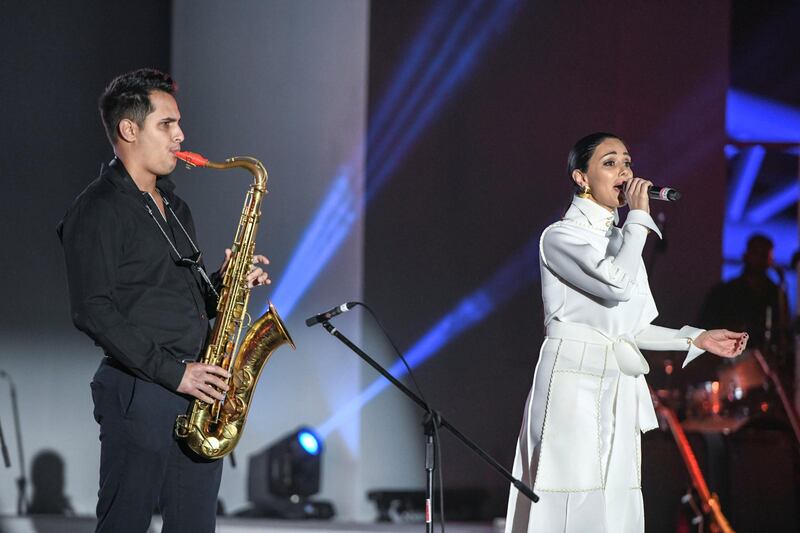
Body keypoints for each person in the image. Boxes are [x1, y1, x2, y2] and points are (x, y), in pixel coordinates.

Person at [57, 68, 270, 533]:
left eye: (178, 124)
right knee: (125, 524)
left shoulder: (175, 207)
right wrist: (177, 374)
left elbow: (170, 295)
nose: (181, 135)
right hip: (141, 390)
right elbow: (93, 310)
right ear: (128, 129)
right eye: (167, 124)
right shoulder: (97, 208)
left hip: (196, 395)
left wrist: (228, 283)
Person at [504, 132, 748, 533]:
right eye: (610, 162)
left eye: (628, 162)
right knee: (571, 493)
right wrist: (638, 218)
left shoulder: (621, 239)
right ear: (581, 178)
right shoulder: (562, 237)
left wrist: (696, 338)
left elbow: (633, 328)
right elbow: (614, 284)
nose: (625, 171)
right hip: (572, 378)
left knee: (616, 499)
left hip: (615, 382)